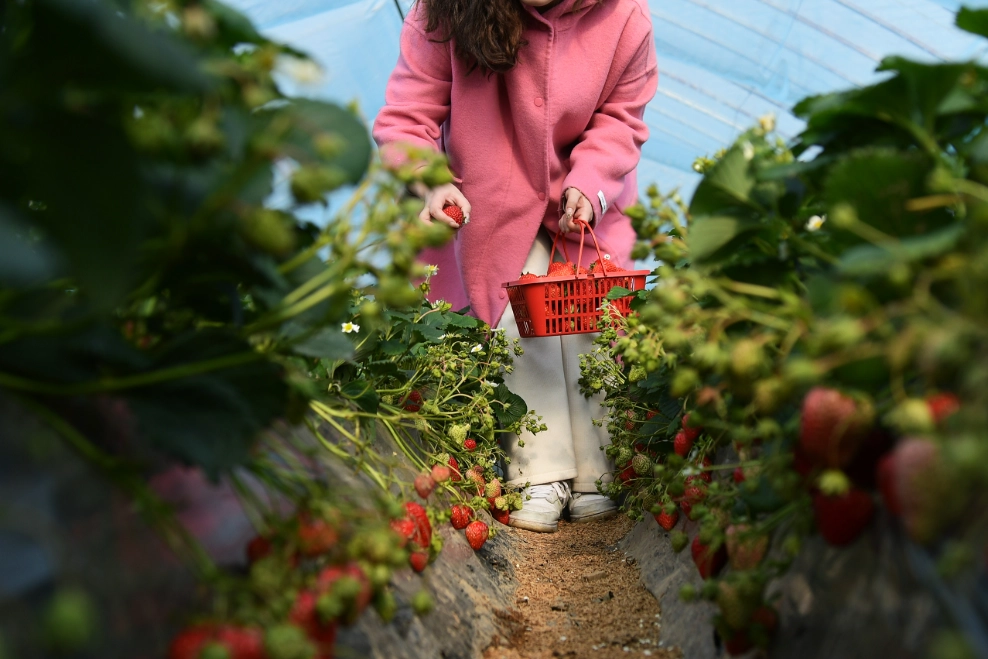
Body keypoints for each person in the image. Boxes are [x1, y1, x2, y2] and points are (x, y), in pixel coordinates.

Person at [373, 0, 658, 532]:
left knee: (586, 319)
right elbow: (406, 118)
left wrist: (590, 179)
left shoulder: (623, 18)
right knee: (520, 318)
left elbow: (621, 119)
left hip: (581, 204)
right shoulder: (445, 9)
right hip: (491, 206)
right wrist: (429, 178)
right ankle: (540, 474)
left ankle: (597, 473)